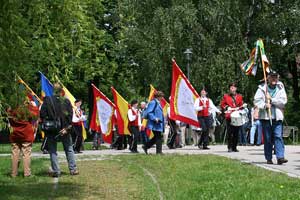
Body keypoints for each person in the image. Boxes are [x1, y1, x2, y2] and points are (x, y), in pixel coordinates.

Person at [40, 83, 79, 177]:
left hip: (51, 129)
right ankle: (73, 169)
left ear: (53, 90)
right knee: (69, 149)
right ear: (61, 91)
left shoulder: (47, 100)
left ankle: (56, 171)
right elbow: (70, 116)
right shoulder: (66, 101)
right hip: (65, 129)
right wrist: (66, 128)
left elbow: (42, 115)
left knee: (53, 150)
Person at [254, 71, 288, 165]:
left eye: (275, 77)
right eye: (272, 77)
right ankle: (268, 158)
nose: (274, 79)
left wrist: (272, 100)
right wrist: (265, 105)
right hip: (266, 118)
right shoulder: (262, 88)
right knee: (268, 139)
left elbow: (283, 101)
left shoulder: (280, 87)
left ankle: (280, 157)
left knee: (278, 136)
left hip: (277, 117)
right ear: (268, 78)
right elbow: (256, 101)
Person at [8, 98, 39, 177]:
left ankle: (14, 173)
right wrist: (31, 105)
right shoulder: (27, 110)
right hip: (26, 133)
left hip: (15, 133)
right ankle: (27, 173)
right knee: (26, 154)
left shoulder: (12, 109)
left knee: (15, 154)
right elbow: (35, 115)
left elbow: (9, 116)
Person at [220, 82, 244, 152]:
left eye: (233, 87)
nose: (232, 89)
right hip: (229, 116)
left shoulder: (239, 96)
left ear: (236, 88)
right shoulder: (226, 96)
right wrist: (227, 108)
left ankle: (234, 147)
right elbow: (222, 104)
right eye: (231, 87)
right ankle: (229, 147)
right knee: (230, 132)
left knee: (236, 132)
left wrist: (241, 108)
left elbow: (241, 105)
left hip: (237, 115)